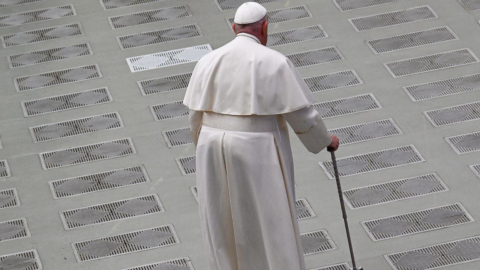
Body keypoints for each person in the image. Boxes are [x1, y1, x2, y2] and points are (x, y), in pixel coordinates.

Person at [183, 2, 340, 269]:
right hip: (256, 147)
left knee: (221, 219)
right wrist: (325, 141)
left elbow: (195, 115)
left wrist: (203, 147)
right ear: (265, 27)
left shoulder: (207, 61)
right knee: (269, 219)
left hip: (210, 144)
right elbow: (302, 115)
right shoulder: (274, 61)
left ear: (234, 28)